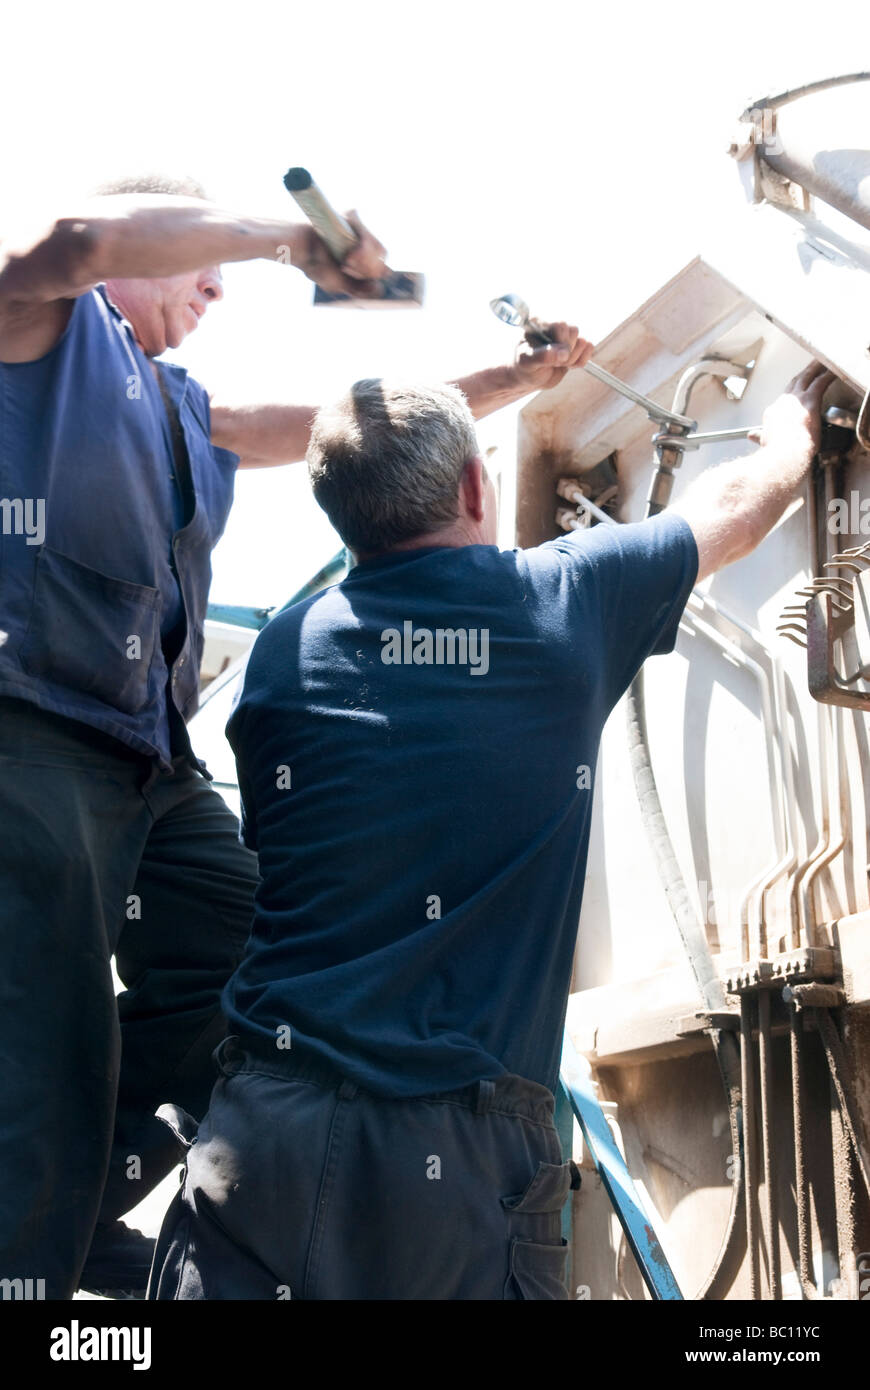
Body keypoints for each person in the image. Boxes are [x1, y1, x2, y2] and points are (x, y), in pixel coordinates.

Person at [0, 173, 590, 1299]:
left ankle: (58, 1215)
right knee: (45, 1042)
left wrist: (512, 378)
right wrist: (283, 242)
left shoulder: (173, 406)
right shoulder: (31, 324)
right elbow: (70, 238)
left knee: (242, 968)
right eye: (196, 268)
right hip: (30, 736)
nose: (217, 287)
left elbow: (335, 428)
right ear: (132, 252)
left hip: (149, 768)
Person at [148, 361, 833, 1300]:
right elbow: (737, 512)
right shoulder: (564, 601)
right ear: (475, 486)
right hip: (450, 1168)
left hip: (263, 1130)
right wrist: (793, 433)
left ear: (340, 515)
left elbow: (281, 855)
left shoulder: (282, 653)